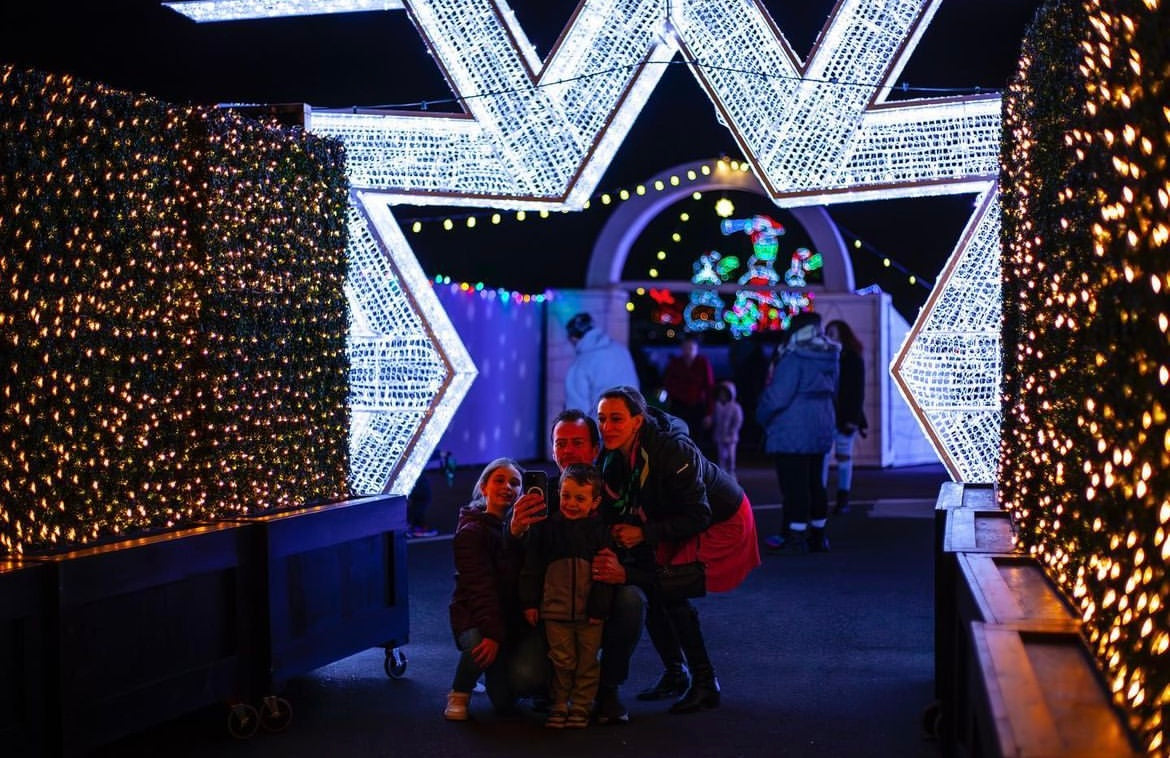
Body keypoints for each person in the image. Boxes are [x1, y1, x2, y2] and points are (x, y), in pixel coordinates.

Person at [595, 385, 761, 714]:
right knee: (654, 585)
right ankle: (676, 673)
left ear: (637, 421)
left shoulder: (671, 451)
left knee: (668, 586)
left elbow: (700, 515)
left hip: (723, 518)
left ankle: (705, 683)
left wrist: (643, 533)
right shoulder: (614, 456)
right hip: (675, 517)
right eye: (601, 419)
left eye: (616, 419)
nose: (607, 427)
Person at [508, 409, 645, 725]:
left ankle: (607, 688)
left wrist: (623, 571)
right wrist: (513, 530)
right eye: (560, 443)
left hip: (597, 603)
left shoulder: (615, 498)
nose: (567, 450)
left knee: (631, 598)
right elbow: (515, 560)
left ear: (596, 449)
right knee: (522, 679)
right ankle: (552, 688)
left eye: (577, 442)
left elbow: (644, 560)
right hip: (551, 609)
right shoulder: (540, 496)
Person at [519, 463, 615, 728]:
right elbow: (533, 568)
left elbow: (605, 576)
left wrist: (600, 608)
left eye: (579, 498)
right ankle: (560, 703)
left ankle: (581, 706)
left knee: (587, 662)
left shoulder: (600, 533)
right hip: (554, 611)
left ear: (595, 502)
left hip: (590, 614)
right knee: (561, 661)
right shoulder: (547, 529)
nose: (571, 503)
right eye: (565, 496)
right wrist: (529, 603)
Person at [444, 458, 526, 720]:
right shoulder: (471, 531)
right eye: (499, 480)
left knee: (505, 704)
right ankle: (460, 692)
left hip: (508, 619)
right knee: (480, 646)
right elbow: (481, 589)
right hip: (474, 617)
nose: (507, 487)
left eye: (515, 483)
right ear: (483, 488)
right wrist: (493, 635)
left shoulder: (524, 528)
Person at [756, 311, 840, 553]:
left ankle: (795, 537)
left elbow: (778, 397)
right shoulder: (830, 355)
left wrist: (760, 415)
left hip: (792, 427)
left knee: (794, 485)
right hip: (821, 422)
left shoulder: (794, 357)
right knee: (815, 482)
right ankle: (818, 535)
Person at [824, 319, 867, 514]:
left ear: (842, 333)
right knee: (823, 458)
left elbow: (857, 390)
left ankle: (843, 498)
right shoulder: (825, 356)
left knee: (843, 458)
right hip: (827, 415)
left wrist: (853, 418)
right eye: (828, 332)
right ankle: (821, 497)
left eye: (832, 332)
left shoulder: (852, 358)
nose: (829, 335)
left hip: (844, 416)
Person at [564, 312, 639, 414]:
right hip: (630, 421)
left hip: (602, 425)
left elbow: (577, 410)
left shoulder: (581, 364)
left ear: (573, 338)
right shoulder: (621, 351)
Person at [661, 335, 715, 454]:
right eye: (686, 348)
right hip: (679, 406)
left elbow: (709, 388)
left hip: (697, 406)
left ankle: (697, 466)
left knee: (696, 439)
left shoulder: (702, 363)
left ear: (696, 349)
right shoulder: (676, 363)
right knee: (679, 437)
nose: (688, 351)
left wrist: (709, 413)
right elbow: (668, 384)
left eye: (691, 348)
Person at [710, 380, 743, 476]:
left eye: (725, 394)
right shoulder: (717, 406)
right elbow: (715, 418)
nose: (722, 396)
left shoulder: (735, 407)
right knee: (721, 456)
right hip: (720, 436)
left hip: (731, 437)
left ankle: (731, 472)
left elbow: (738, 420)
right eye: (721, 394)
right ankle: (722, 473)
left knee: (731, 456)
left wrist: (733, 431)